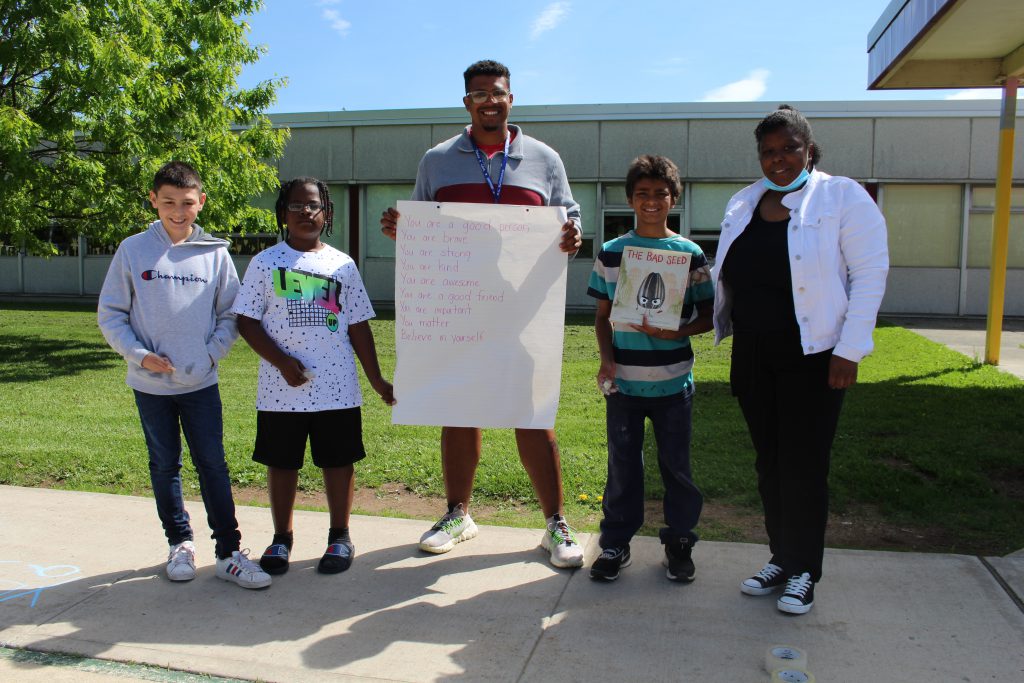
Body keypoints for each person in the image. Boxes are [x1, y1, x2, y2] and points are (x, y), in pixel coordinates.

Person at [379, 59, 585, 569]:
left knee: (533, 415)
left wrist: (573, 235)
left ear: (511, 98)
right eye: (479, 95)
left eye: (498, 93)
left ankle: (555, 522)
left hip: (524, 313)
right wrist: (402, 228)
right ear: (466, 102)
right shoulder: (438, 160)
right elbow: (425, 223)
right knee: (459, 408)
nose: (490, 101)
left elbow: (569, 216)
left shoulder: (544, 159)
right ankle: (458, 513)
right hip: (458, 311)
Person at [712, 105, 888, 614]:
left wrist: (849, 350)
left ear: (808, 149)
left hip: (814, 355)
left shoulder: (841, 197)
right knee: (769, 462)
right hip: (752, 353)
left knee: (804, 465)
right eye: (768, 151)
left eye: (789, 148)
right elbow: (728, 271)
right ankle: (781, 558)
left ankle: (805, 569)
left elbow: (870, 275)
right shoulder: (745, 201)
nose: (779, 159)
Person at [98, 161, 271, 589]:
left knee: (212, 463)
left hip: (200, 384)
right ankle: (180, 543)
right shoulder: (133, 249)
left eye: (187, 203)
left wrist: (210, 356)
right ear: (154, 200)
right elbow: (111, 314)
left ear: (201, 202)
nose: (178, 211)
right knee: (164, 464)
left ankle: (229, 552)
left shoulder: (215, 253)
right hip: (150, 385)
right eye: (169, 202)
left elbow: (231, 313)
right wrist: (139, 355)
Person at [232, 177, 395, 576]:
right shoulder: (265, 263)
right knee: (281, 462)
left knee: (339, 462)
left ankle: (340, 536)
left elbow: (358, 326)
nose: (306, 212)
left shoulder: (342, 265)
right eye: (296, 206)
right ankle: (281, 538)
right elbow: (247, 322)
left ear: (327, 213)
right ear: (282, 213)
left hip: (337, 390)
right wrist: (282, 362)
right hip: (280, 391)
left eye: (314, 205)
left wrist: (376, 381)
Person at [586, 155, 714, 582]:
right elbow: (602, 316)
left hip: (674, 383)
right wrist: (607, 361)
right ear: (630, 199)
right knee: (623, 467)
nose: (652, 201)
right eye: (643, 194)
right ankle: (616, 543)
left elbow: (711, 316)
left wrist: (676, 331)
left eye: (661, 193)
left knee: (677, 466)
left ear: (674, 198)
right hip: (624, 384)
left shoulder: (690, 253)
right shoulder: (611, 252)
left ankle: (679, 541)